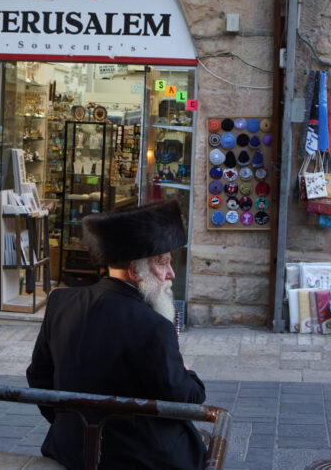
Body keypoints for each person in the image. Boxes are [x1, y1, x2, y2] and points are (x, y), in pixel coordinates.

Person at [26, 199, 207, 469]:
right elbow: (189, 401)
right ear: (135, 271)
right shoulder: (155, 326)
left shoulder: (60, 301)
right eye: (163, 263)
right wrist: (187, 370)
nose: (170, 274)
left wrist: (77, 427)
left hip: (70, 449)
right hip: (136, 459)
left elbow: (38, 378)